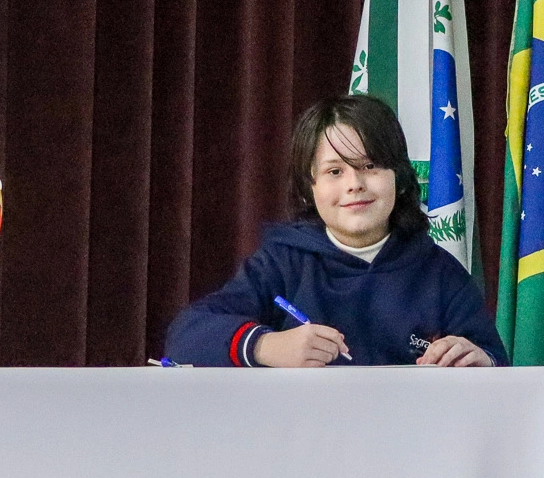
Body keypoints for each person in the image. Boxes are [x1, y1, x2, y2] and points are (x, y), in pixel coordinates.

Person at [165, 95, 508, 368]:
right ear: (308, 188)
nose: (354, 185)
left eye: (370, 166)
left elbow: (495, 364)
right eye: (334, 172)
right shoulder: (281, 264)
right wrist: (266, 346)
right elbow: (185, 337)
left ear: (400, 179)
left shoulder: (439, 274)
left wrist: (478, 360)